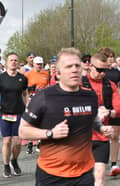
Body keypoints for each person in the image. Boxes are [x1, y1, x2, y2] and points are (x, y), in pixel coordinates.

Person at [19, 47, 113, 186]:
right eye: (69, 66)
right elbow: (23, 131)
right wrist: (50, 133)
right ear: (57, 73)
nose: (74, 69)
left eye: (77, 66)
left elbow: (91, 119)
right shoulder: (43, 97)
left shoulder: (90, 96)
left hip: (84, 173)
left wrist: (101, 127)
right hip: (52, 174)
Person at [0, 52, 28, 178]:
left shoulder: (23, 78)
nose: (14, 62)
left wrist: (27, 107)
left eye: (16, 60)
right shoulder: (1, 78)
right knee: (7, 141)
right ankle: (6, 165)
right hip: (4, 112)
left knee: (17, 142)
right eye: (11, 60)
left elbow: (25, 94)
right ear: (6, 63)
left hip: (19, 112)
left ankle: (14, 160)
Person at [96, 48, 120, 177]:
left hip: (113, 107)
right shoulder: (97, 70)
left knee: (115, 136)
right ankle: (98, 163)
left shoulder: (116, 72)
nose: (110, 58)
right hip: (100, 108)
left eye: (112, 56)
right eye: (107, 56)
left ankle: (114, 164)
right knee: (100, 136)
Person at [24, 56, 49, 153]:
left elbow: (47, 85)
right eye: (38, 64)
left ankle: (39, 142)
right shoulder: (28, 74)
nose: (39, 66)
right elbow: (24, 88)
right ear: (33, 64)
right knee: (31, 120)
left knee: (42, 120)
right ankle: (30, 143)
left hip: (43, 99)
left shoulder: (46, 73)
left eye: (41, 64)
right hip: (31, 99)